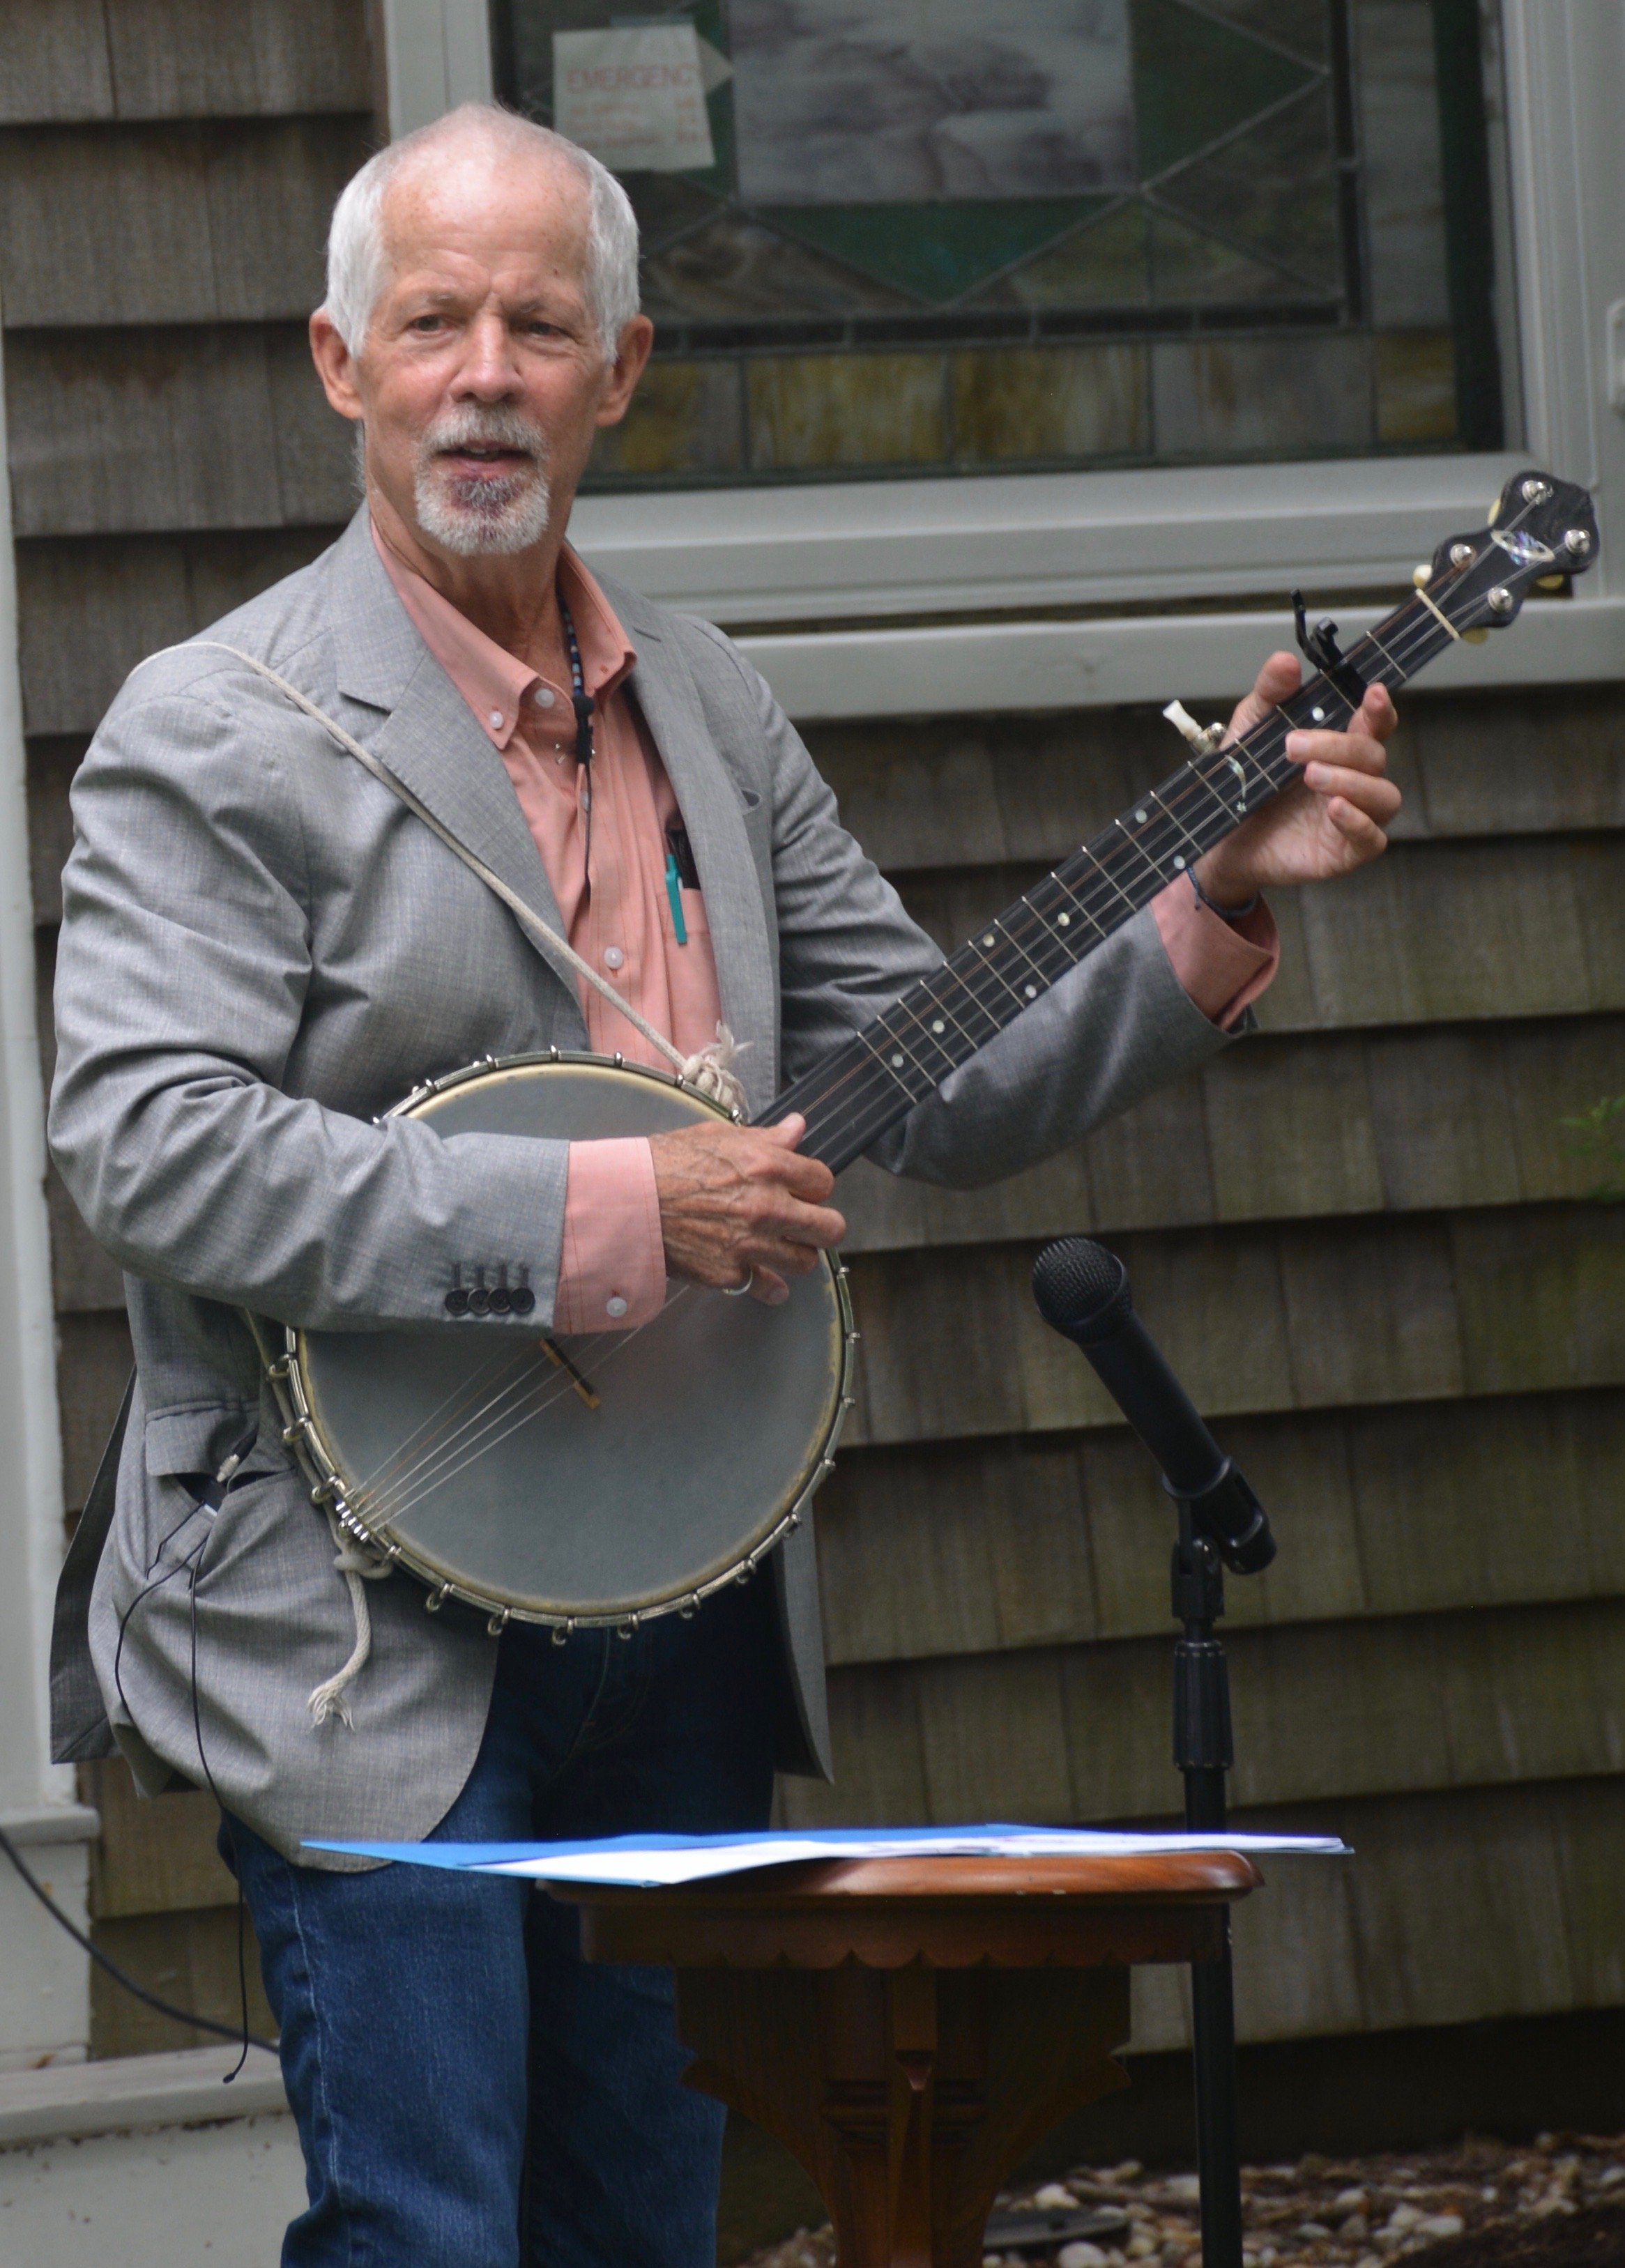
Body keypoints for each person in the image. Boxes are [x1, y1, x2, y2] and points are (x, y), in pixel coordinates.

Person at [47, 104, 1400, 2268]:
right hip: (358, 1634)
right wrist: (612, 1221)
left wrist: (1214, 889)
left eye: (537, 327)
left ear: (622, 370)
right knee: (430, 2236)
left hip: (678, 1610)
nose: (483, 376)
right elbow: (148, 1147)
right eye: (433, 324)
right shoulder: (221, 725)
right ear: (338, 362)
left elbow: (933, 1077)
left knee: (644, 2234)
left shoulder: (706, 705)